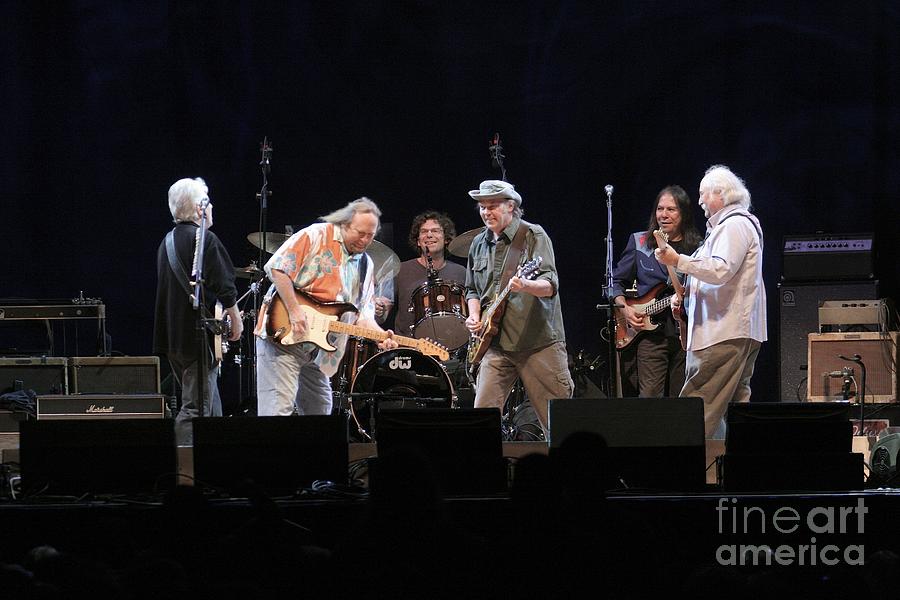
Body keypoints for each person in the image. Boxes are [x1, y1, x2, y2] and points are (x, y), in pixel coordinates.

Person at [253, 197, 398, 416]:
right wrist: (294, 311)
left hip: (319, 349)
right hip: (283, 336)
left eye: (370, 236)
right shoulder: (315, 235)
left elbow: (362, 314)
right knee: (277, 411)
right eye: (360, 233)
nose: (365, 240)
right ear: (345, 224)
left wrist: (380, 336)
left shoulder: (366, 265)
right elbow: (278, 269)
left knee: (320, 411)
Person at [655, 165, 766, 438]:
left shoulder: (735, 225)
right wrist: (688, 298)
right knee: (731, 410)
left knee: (698, 405)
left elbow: (720, 269)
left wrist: (677, 260)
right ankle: (723, 472)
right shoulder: (727, 229)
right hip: (731, 331)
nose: (701, 201)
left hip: (723, 333)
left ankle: (685, 472)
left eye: (704, 194)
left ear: (721, 194)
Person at [464, 180, 573, 430]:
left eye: (492, 206)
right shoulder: (478, 244)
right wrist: (474, 316)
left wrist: (526, 285)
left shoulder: (533, 235)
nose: (486, 212)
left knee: (559, 424)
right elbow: (472, 289)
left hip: (538, 343)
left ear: (511, 206)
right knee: (481, 419)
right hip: (496, 344)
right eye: (482, 207)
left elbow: (550, 285)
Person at [153, 177, 243, 445]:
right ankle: (185, 470)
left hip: (172, 338)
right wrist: (235, 318)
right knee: (196, 409)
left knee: (210, 405)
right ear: (200, 207)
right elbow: (225, 284)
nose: (212, 207)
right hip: (195, 340)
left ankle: (212, 458)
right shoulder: (204, 239)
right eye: (209, 202)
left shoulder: (166, 242)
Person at [610, 185, 702, 398]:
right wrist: (624, 309)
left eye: (671, 209)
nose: (664, 214)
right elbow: (616, 281)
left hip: (686, 336)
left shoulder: (698, 247)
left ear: (684, 213)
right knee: (650, 398)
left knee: (683, 400)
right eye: (660, 209)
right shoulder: (640, 242)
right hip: (650, 338)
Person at [374, 211, 467, 341]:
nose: (429, 235)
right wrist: (379, 309)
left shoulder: (460, 272)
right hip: (409, 347)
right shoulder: (399, 270)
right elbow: (382, 314)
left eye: (435, 231)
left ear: (446, 239)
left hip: (452, 347)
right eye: (424, 231)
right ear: (418, 241)